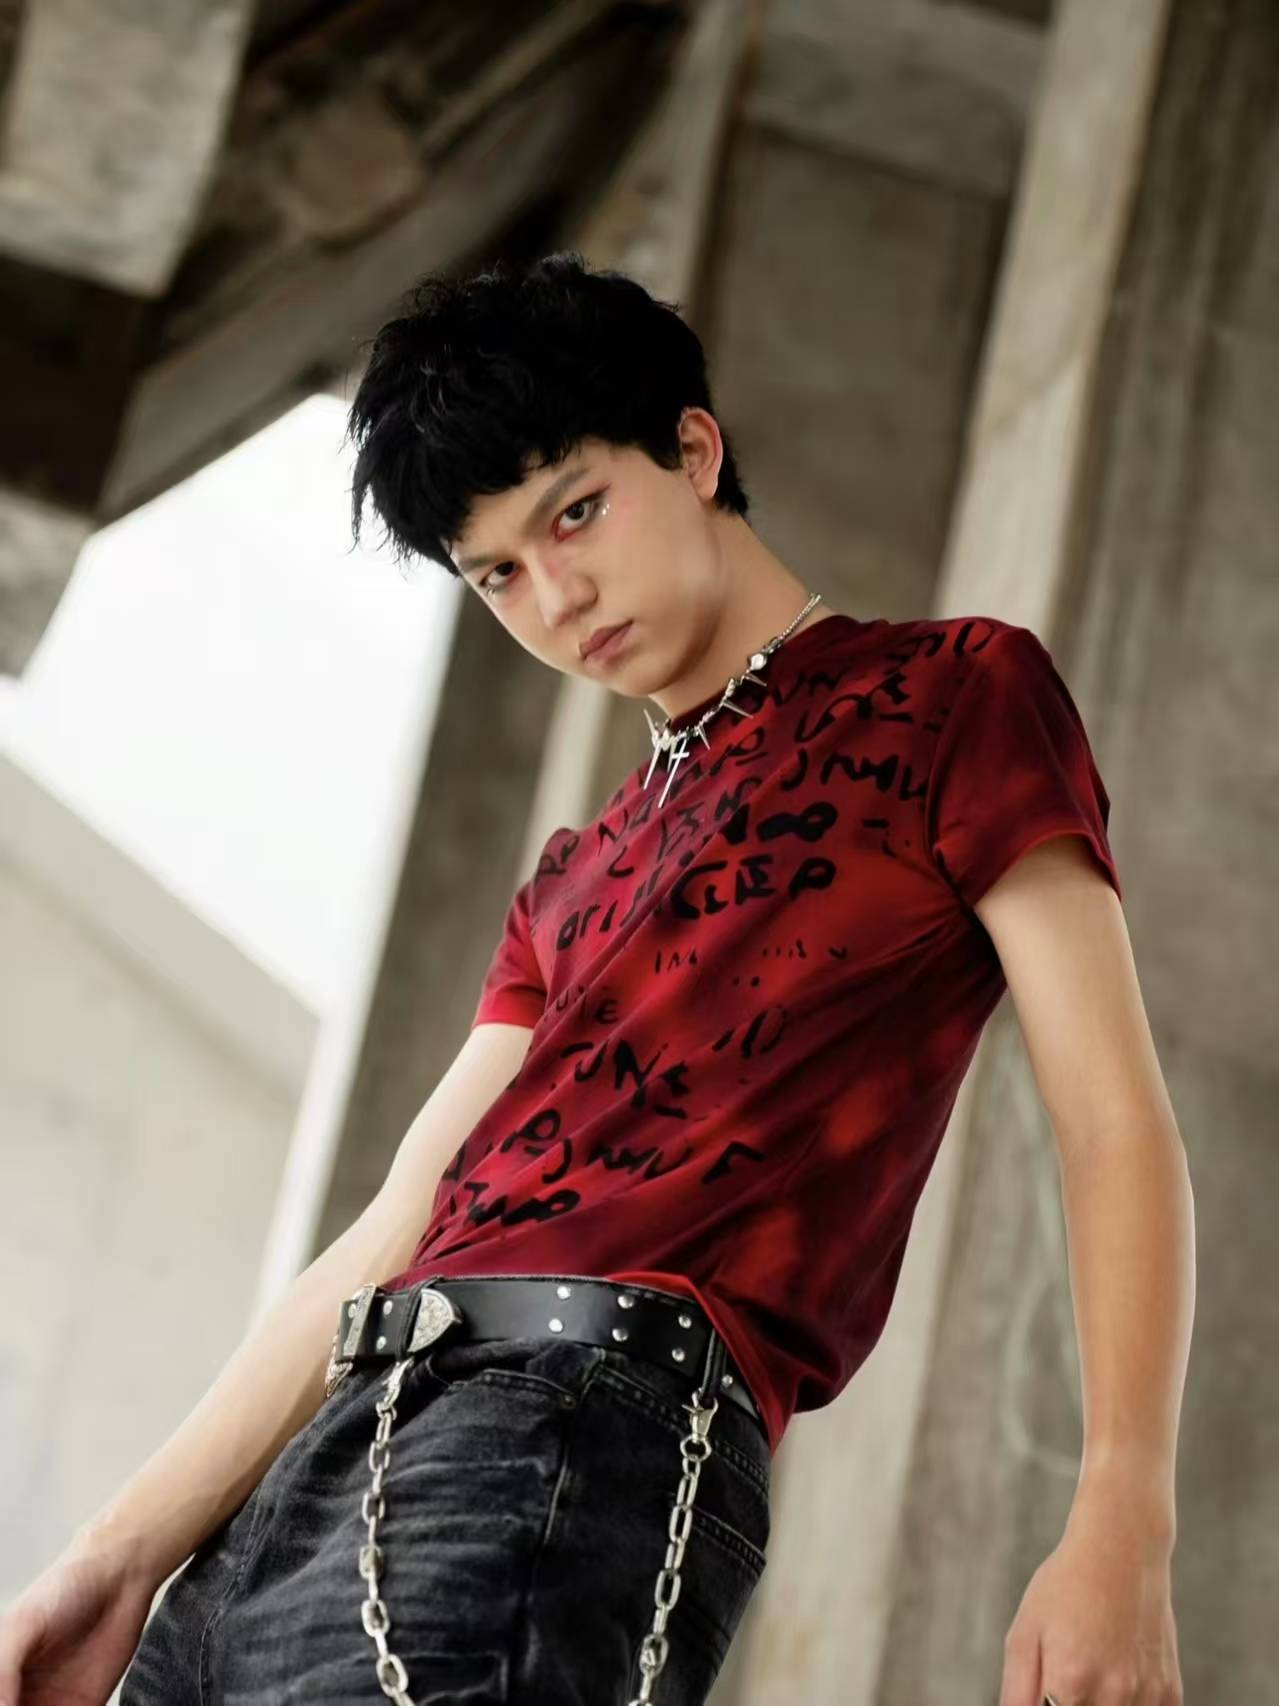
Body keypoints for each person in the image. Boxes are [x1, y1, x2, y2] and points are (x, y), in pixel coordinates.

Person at [0, 252, 1189, 1706]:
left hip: (552, 1441)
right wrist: (114, 1558)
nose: (557, 596)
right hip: (300, 1494)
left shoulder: (953, 698)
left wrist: (1123, 1507)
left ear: (694, 449)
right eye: (497, 571)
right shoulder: (575, 873)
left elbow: (1111, 1119)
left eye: (575, 512)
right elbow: (397, 1220)